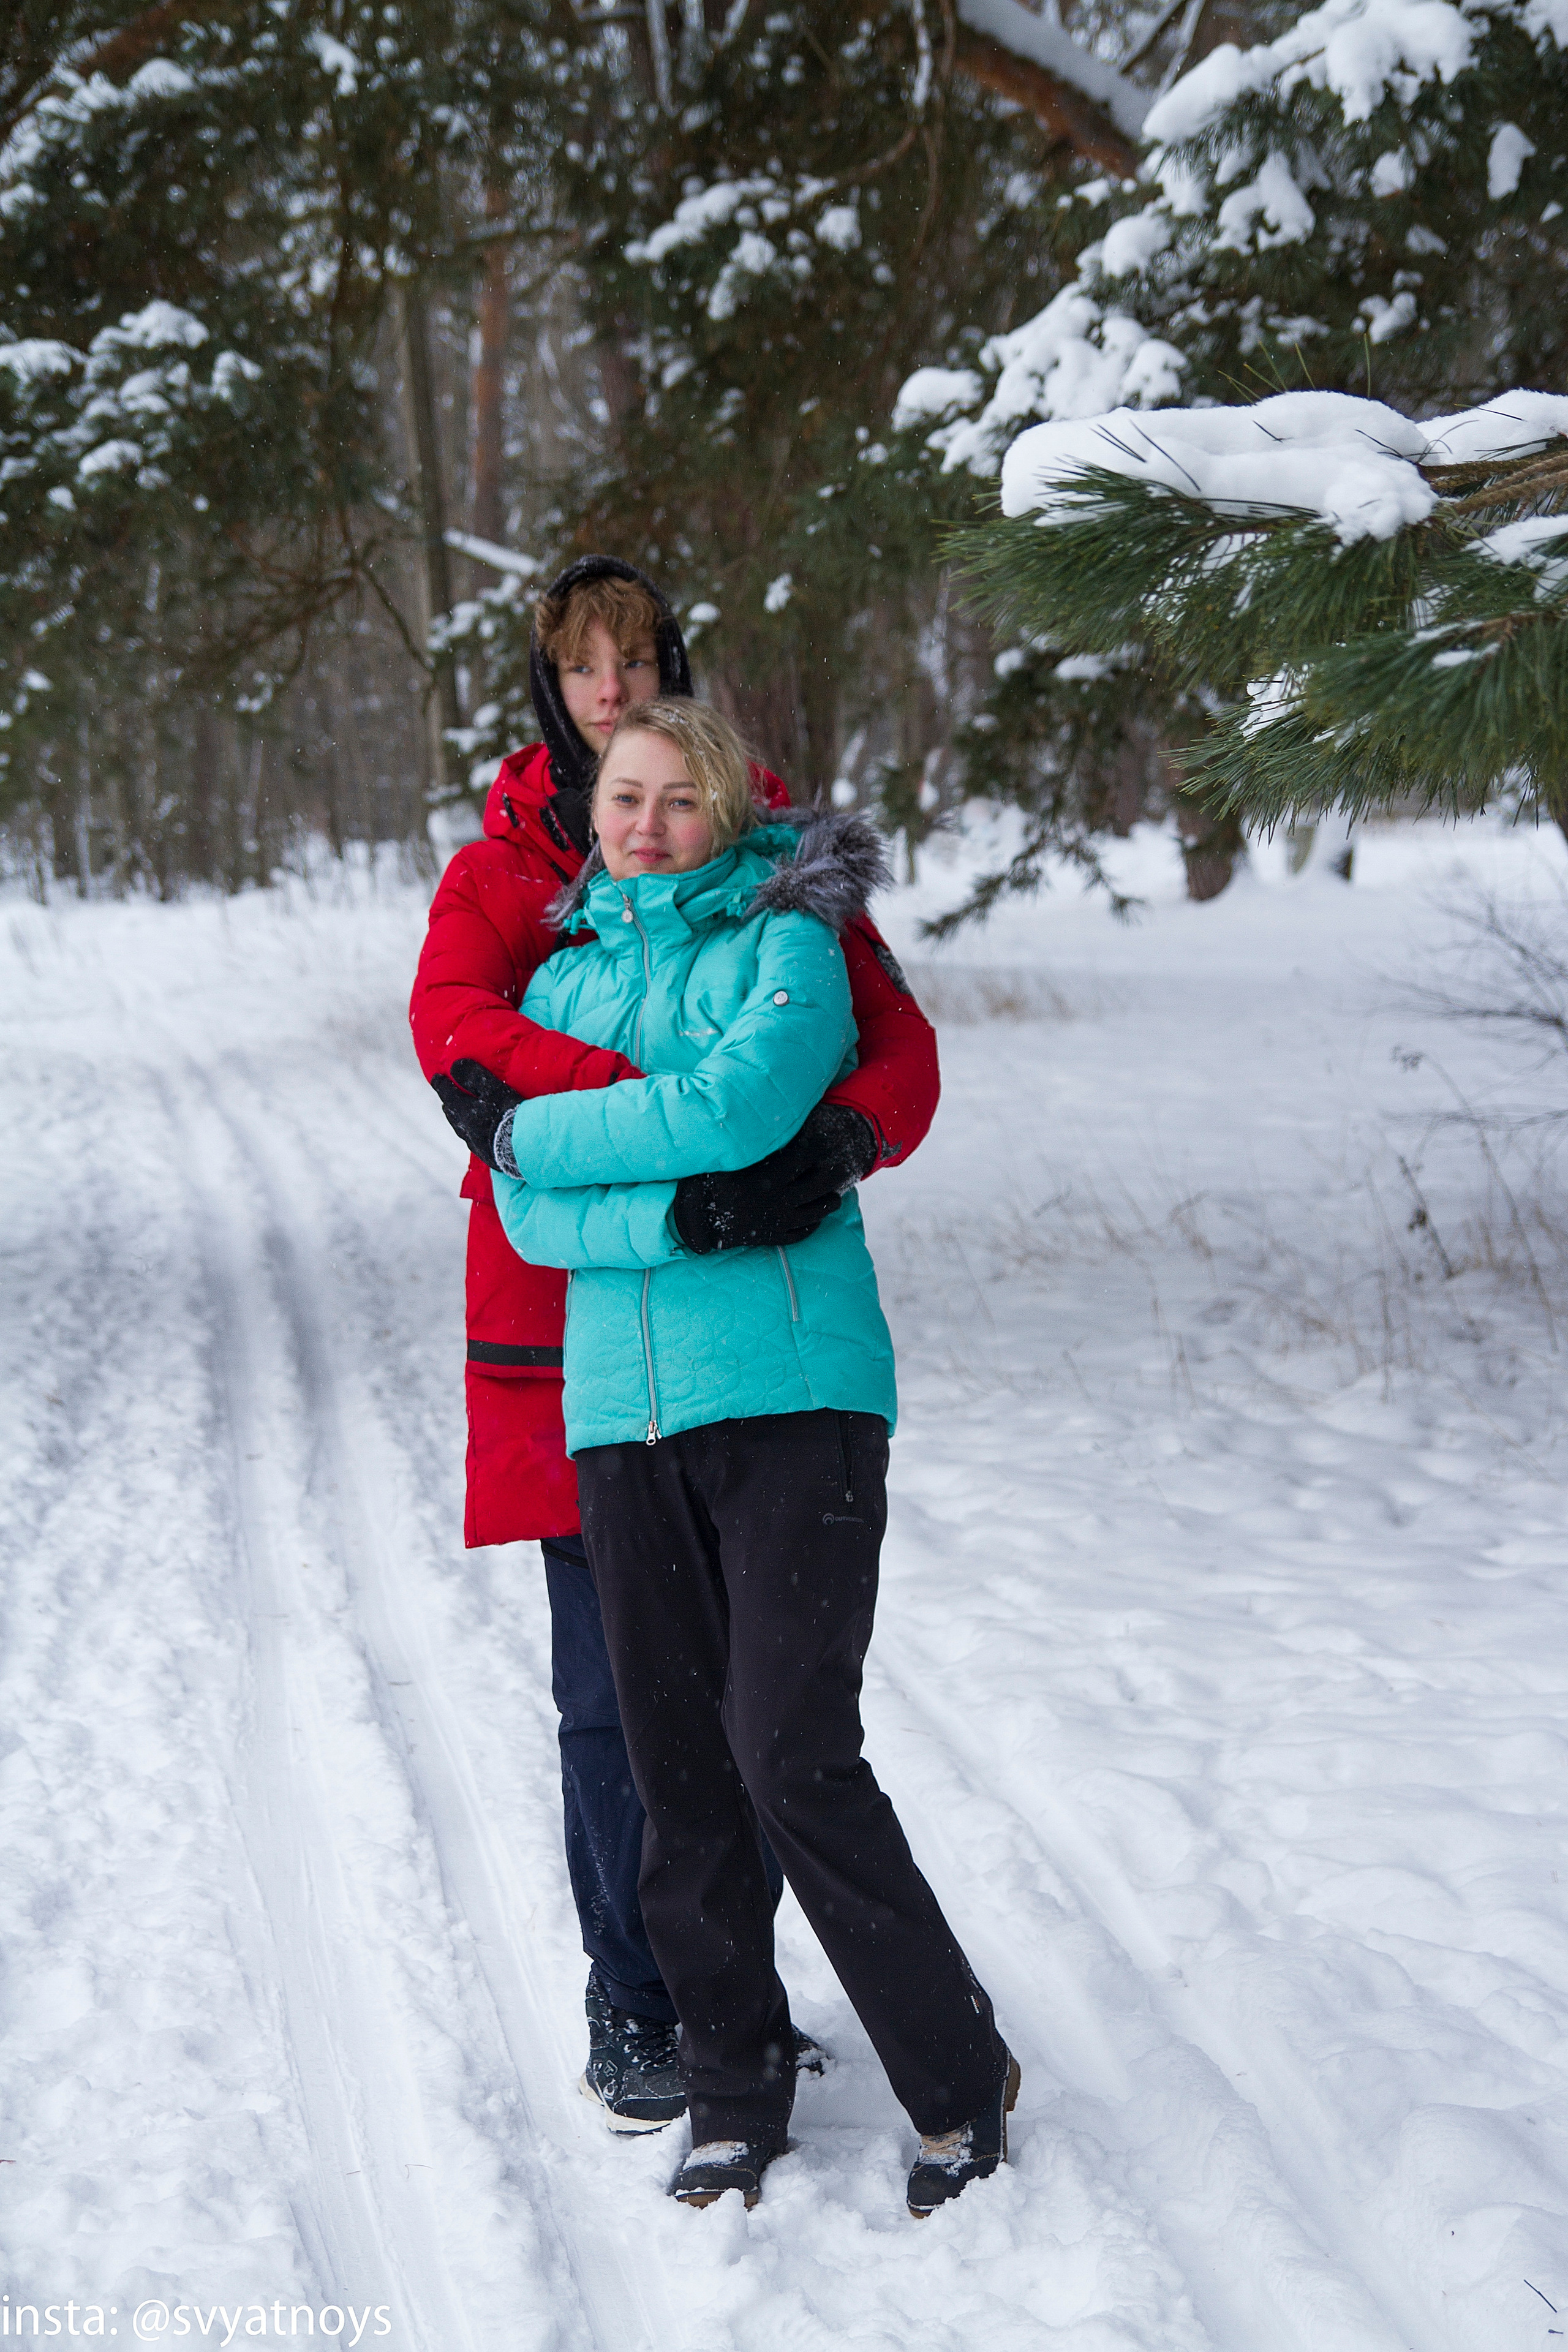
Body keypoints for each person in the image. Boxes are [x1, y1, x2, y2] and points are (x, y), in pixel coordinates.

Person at [409, 556, 941, 2132]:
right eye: (583, 667)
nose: (611, 690)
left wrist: (832, 1136)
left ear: (675, 676)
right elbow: (460, 1034)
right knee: (614, 1693)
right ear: (549, 691)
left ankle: (732, 2005)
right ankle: (635, 1999)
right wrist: (669, 1094)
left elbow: (896, 1047)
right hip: (561, 1313)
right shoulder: (505, 873)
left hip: (742, 1314)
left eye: (637, 661)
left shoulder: (771, 860)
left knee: (748, 1706)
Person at [472, 696, 1016, 2216]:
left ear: (727, 812)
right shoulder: (560, 981)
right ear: (592, 818)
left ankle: (955, 2077)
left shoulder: (789, 941)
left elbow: (742, 1104)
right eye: (622, 799)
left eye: (677, 800)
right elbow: (520, 1205)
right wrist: (674, 1203)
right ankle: (731, 2086)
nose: (646, 826)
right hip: (618, 1416)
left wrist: (549, 1136)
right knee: (678, 1773)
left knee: (790, 1753)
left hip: (789, 1396)